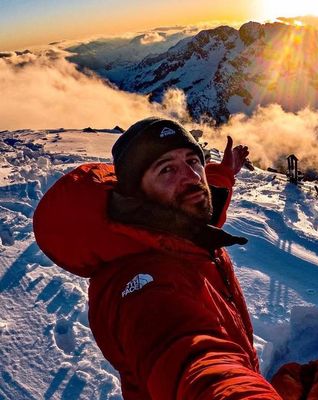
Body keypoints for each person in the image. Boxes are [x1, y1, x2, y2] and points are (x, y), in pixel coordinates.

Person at [33, 117, 282, 399]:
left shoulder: (175, 225)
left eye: (193, 161)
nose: (192, 178)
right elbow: (192, 360)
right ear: (138, 197)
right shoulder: (140, 284)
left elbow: (201, 217)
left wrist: (225, 173)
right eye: (166, 169)